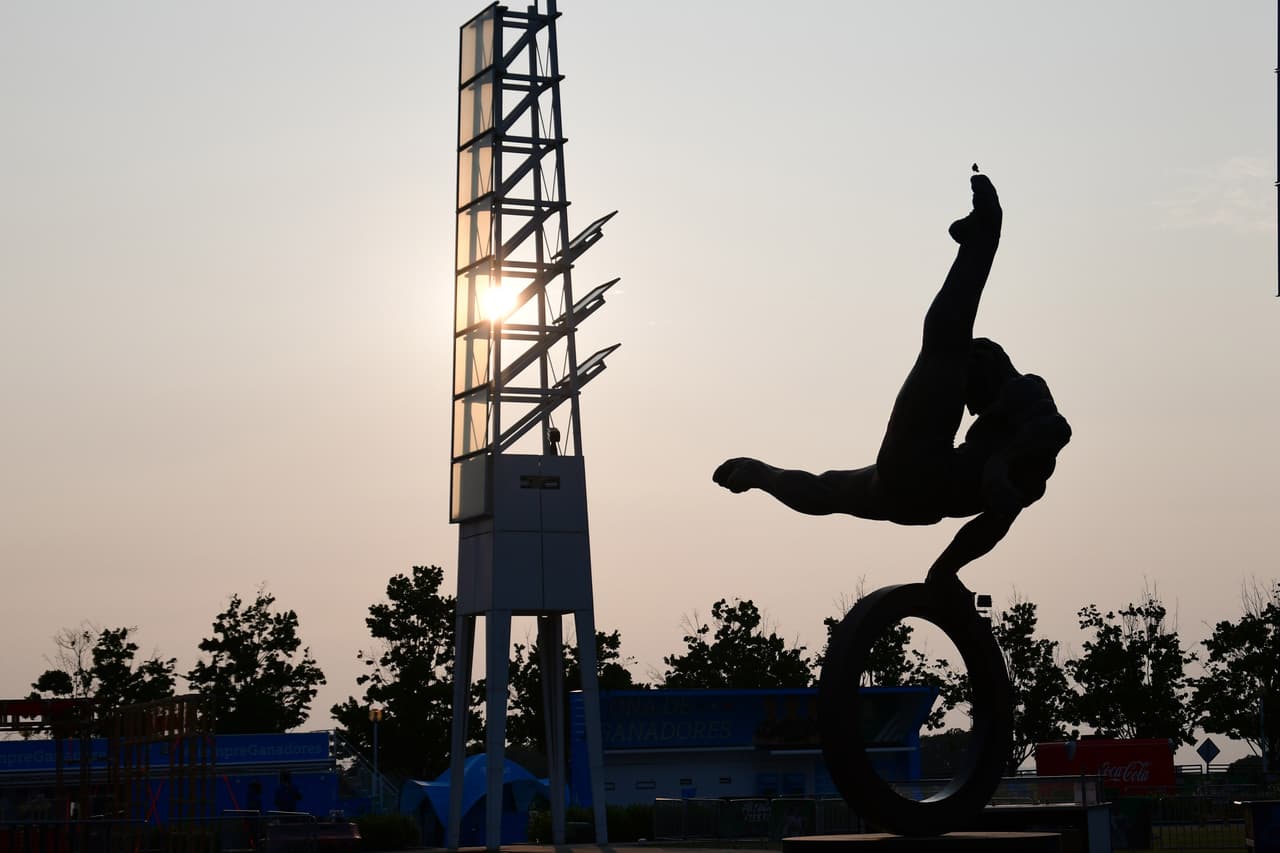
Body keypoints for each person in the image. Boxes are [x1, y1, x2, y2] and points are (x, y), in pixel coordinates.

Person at [713, 173, 1070, 589]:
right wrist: (945, 570)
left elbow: (1053, 430)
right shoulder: (1019, 464)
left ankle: (983, 241)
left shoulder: (1027, 398)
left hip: (918, 475)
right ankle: (761, 474)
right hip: (914, 497)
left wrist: (995, 472)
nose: (963, 399)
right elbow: (992, 519)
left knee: (944, 346)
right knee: (829, 490)